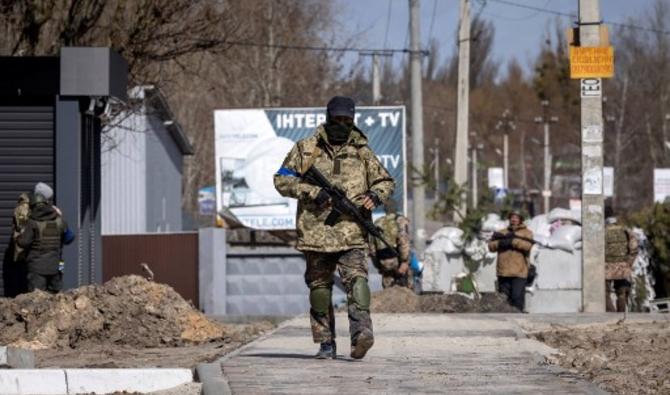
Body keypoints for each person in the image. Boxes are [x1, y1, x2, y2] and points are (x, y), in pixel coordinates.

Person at [274, 96, 395, 360]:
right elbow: (281, 180)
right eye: (337, 120)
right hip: (315, 234)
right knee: (319, 291)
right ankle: (326, 343)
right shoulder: (306, 149)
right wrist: (311, 192)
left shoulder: (363, 152)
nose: (341, 125)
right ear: (327, 118)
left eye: (347, 121)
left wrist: (375, 196)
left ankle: (361, 335)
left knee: (358, 284)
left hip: (352, 233)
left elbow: (385, 181)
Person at [16, 185, 75, 293]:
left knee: (37, 300)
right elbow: (70, 238)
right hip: (58, 265)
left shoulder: (32, 222)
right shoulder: (59, 220)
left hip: (36, 268)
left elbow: (23, 242)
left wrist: (18, 236)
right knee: (57, 296)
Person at [488, 210, 533, 312]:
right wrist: (500, 243)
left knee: (517, 299)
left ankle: (519, 321)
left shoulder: (527, 233)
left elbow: (527, 246)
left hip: (519, 272)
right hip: (503, 272)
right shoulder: (502, 232)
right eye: (512, 217)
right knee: (503, 301)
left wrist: (513, 242)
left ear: (521, 219)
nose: (514, 219)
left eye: (516, 217)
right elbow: (490, 246)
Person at [372, 199, 411, 289]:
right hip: (398, 260)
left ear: (385, 209)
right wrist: (404, 261)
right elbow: (403, 241)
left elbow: (372, 247)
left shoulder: (377, 223)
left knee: (387, 292)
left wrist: (378, 265)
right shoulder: (400, 221)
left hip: (383, 261)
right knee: (405, 291)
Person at [604, 215, 639, 312]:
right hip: (622, 267)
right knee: (621, 292)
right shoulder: (626, 231)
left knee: (604, 293)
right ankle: (621, 314)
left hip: (606, 267)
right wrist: (629, 263)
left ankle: (611, 315)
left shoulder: (602, 232)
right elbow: (634, 247)